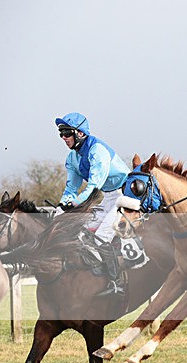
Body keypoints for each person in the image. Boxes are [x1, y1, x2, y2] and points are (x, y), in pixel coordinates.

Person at [55, 112, 131, 296]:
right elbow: (71, 189)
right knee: (83, 231)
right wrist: (61, 207)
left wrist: (76, 203)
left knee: (102, 235)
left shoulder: (98, 151)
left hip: (126, 196)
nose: (64, 138)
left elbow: (94, 187)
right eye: (61, 134)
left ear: (80, 133)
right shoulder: (72, 158)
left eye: (67, 133)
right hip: (109, 196)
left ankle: (116, 284)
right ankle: (97, 275)